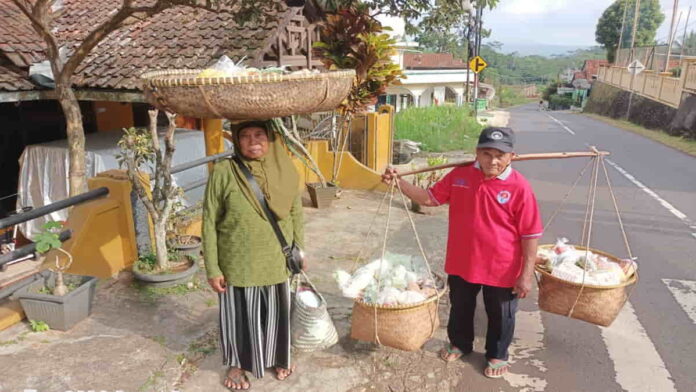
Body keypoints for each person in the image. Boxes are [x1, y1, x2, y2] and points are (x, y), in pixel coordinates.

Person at [382, 127, 542, 378]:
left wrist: (526, 273)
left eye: (501, 155)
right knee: (460, 307)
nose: (493, 160)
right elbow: (429, 198)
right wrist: (399, 183)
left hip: (502, 267)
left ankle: (497, 354)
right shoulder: (460, 175)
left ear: (512, 156)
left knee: (501, 314)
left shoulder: (519, 187)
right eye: (487, 153)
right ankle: (460, 343)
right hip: (462, 261)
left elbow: (530, 234)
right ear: (476, 153)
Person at [203, 121, 305, 390]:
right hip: (238, 260)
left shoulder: (286, 171)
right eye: (245, 136)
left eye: (259, 134)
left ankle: (279, 357)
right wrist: (212, 267)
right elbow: (209, 221)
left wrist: (300, 249)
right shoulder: (224, 172)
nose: (252, 141)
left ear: (270, 138)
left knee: (275, 315)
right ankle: (237, 366)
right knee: (240, 319)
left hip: (275, 258)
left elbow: (296, 213)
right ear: (237, 141)